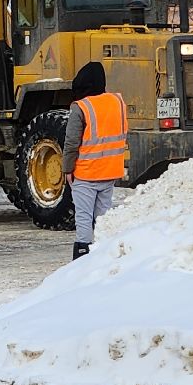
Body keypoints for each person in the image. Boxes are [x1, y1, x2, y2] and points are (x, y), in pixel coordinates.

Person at [62, 61, 128, 261]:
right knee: (103, 217)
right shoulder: (117, 102)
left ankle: (82, 257)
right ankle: (104, 257)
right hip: (110, 171)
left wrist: (67, 169)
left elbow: (71, 142)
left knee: (83, 217)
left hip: (86, 173)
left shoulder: (81, 107)